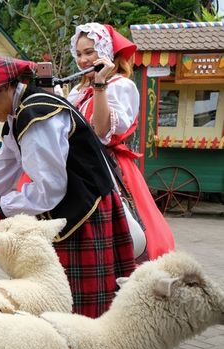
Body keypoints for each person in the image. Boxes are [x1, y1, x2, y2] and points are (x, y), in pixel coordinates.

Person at [0, 55, 136, 318]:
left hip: (86, 214)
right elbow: (1, 169)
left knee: (84, 311)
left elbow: (50, 189)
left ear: (6, 86)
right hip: (75, 210)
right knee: (69, 303)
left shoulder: (36, 116)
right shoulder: (19, 114)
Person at [68, 22, 174, 261]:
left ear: (106, 52)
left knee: (118, 235)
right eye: (79, 54)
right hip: (77, 166)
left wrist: (99, 85)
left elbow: (102, 131)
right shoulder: (78, 90)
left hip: (107, 166)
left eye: (89, 52)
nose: (83, 60)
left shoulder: (120, 86)